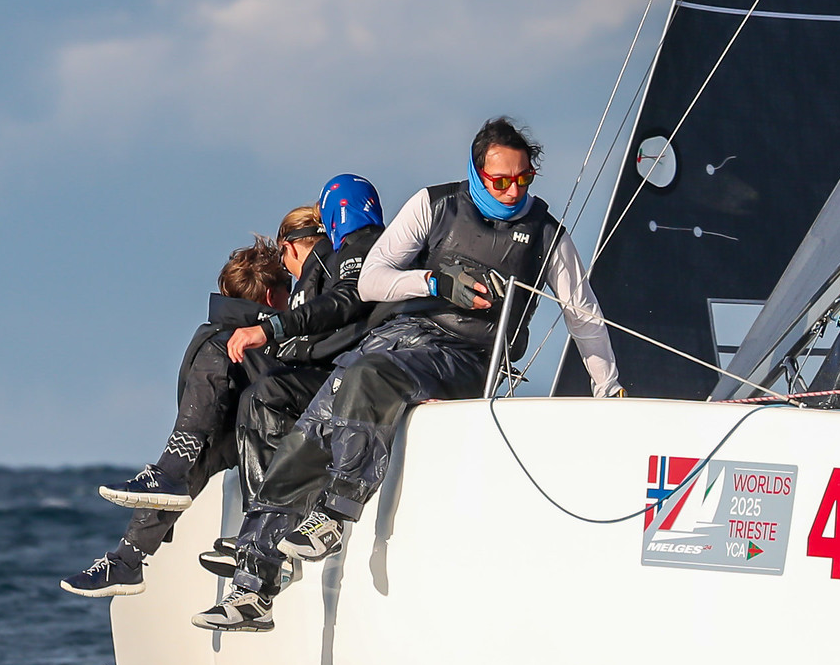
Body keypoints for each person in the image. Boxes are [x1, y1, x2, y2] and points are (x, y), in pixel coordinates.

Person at [195, 117, 622, 632]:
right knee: (308, 435)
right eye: (500, 180)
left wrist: (608, 389)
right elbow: (372, 281)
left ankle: (336, 511)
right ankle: (252, 586)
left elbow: (583, 314)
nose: (513, 191)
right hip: (403, 339)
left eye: (523, 179)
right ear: (476, 173)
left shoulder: (547, 235)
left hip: (468, 358)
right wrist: (435, 282)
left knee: (368, 376)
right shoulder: (433, 205)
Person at [61, 235, 291, 596]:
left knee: (216, 351)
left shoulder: (235, 338)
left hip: (282, 423)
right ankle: (127, 559)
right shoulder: (235, 334)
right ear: (271, 297)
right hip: (251, 426)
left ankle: (169, 474)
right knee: (191, 461)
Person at [195, 176, 388, 578]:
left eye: (284, 260)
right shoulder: (359, 252)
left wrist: (274, 334)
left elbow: (341, 312)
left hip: (354, 374)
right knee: (257, 387)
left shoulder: (340, 256)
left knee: (264, 394)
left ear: (292, 245)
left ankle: (261, 535)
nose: (287, 272)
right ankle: (257, 531)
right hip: (359, 369)